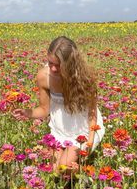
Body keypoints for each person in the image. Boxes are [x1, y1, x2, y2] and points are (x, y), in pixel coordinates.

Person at [12, 36, 105, 171]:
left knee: (63, 168)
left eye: (59, 64)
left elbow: (92, 115)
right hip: (59, 129)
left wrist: (89, 143)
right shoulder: (44, 76)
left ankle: (83, 173)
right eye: (50, 63)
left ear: (71, 63)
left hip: (81, 130)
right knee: (53, 169)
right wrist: (28, 113)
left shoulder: (85, 79)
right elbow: (44, 109)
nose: (53, 69)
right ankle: (75, 174)